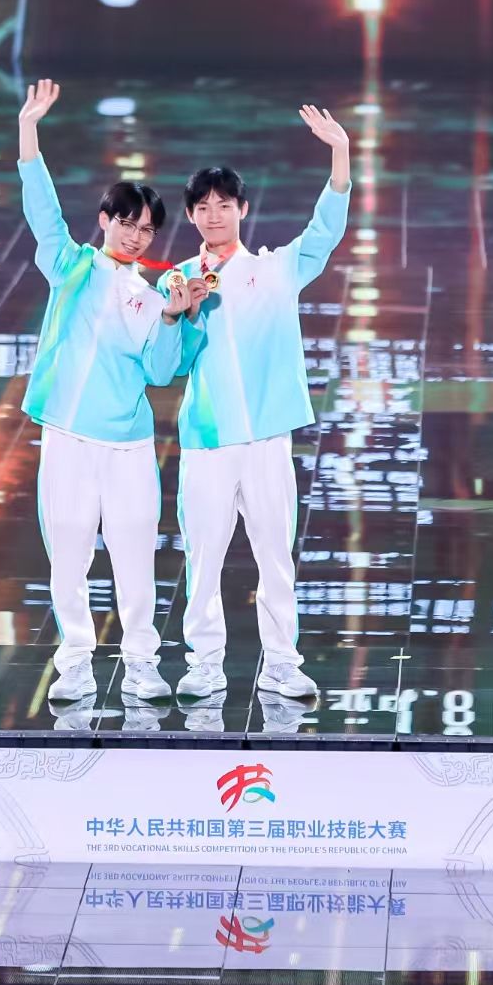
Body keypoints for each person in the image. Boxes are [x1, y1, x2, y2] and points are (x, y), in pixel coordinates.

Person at [16, 79, 199, 703]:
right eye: (127, 223)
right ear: (105, 221)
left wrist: (173, 318)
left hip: (128, 444)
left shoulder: (152, 295)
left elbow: (161, 373)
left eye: (147, 229)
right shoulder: (69, 266)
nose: (136, 236)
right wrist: (29, 130)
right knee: (67, 552)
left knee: (133, 553)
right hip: (67, 436)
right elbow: (41, 209)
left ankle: (142, 663)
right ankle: (74, 662)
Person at [164, 104, 351, 702]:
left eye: (224, 205)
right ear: (191, 216)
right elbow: (167, 366)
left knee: (275, 555)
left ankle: (282, 665)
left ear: (242, 209)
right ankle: (204, 664)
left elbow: (325, 231)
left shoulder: (275, 270)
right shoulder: (176, 279)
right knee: (203, 557)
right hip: (207, 441)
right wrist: (181, 315)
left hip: (267, 437)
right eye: (202, 207)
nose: (213, 215)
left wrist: (340, 153)